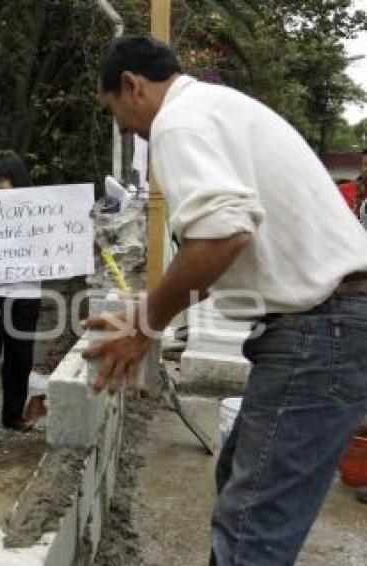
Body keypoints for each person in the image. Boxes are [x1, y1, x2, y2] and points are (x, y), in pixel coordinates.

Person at [88, 36, 367, 565]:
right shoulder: (216, 110)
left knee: (251, 529)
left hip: (320, 328)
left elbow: (221, 236)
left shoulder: (178, 122)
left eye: (117, 115)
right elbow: (221, 251)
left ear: (132, 85)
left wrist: (145, 324)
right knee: (239, 480)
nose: (127, 130)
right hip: (329, 322)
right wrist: (150, 308)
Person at [0, 153, 43, 442]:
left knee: (20, 357)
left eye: (4, 180)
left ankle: (13, 415)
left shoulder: (40, 209)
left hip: (26, 293)